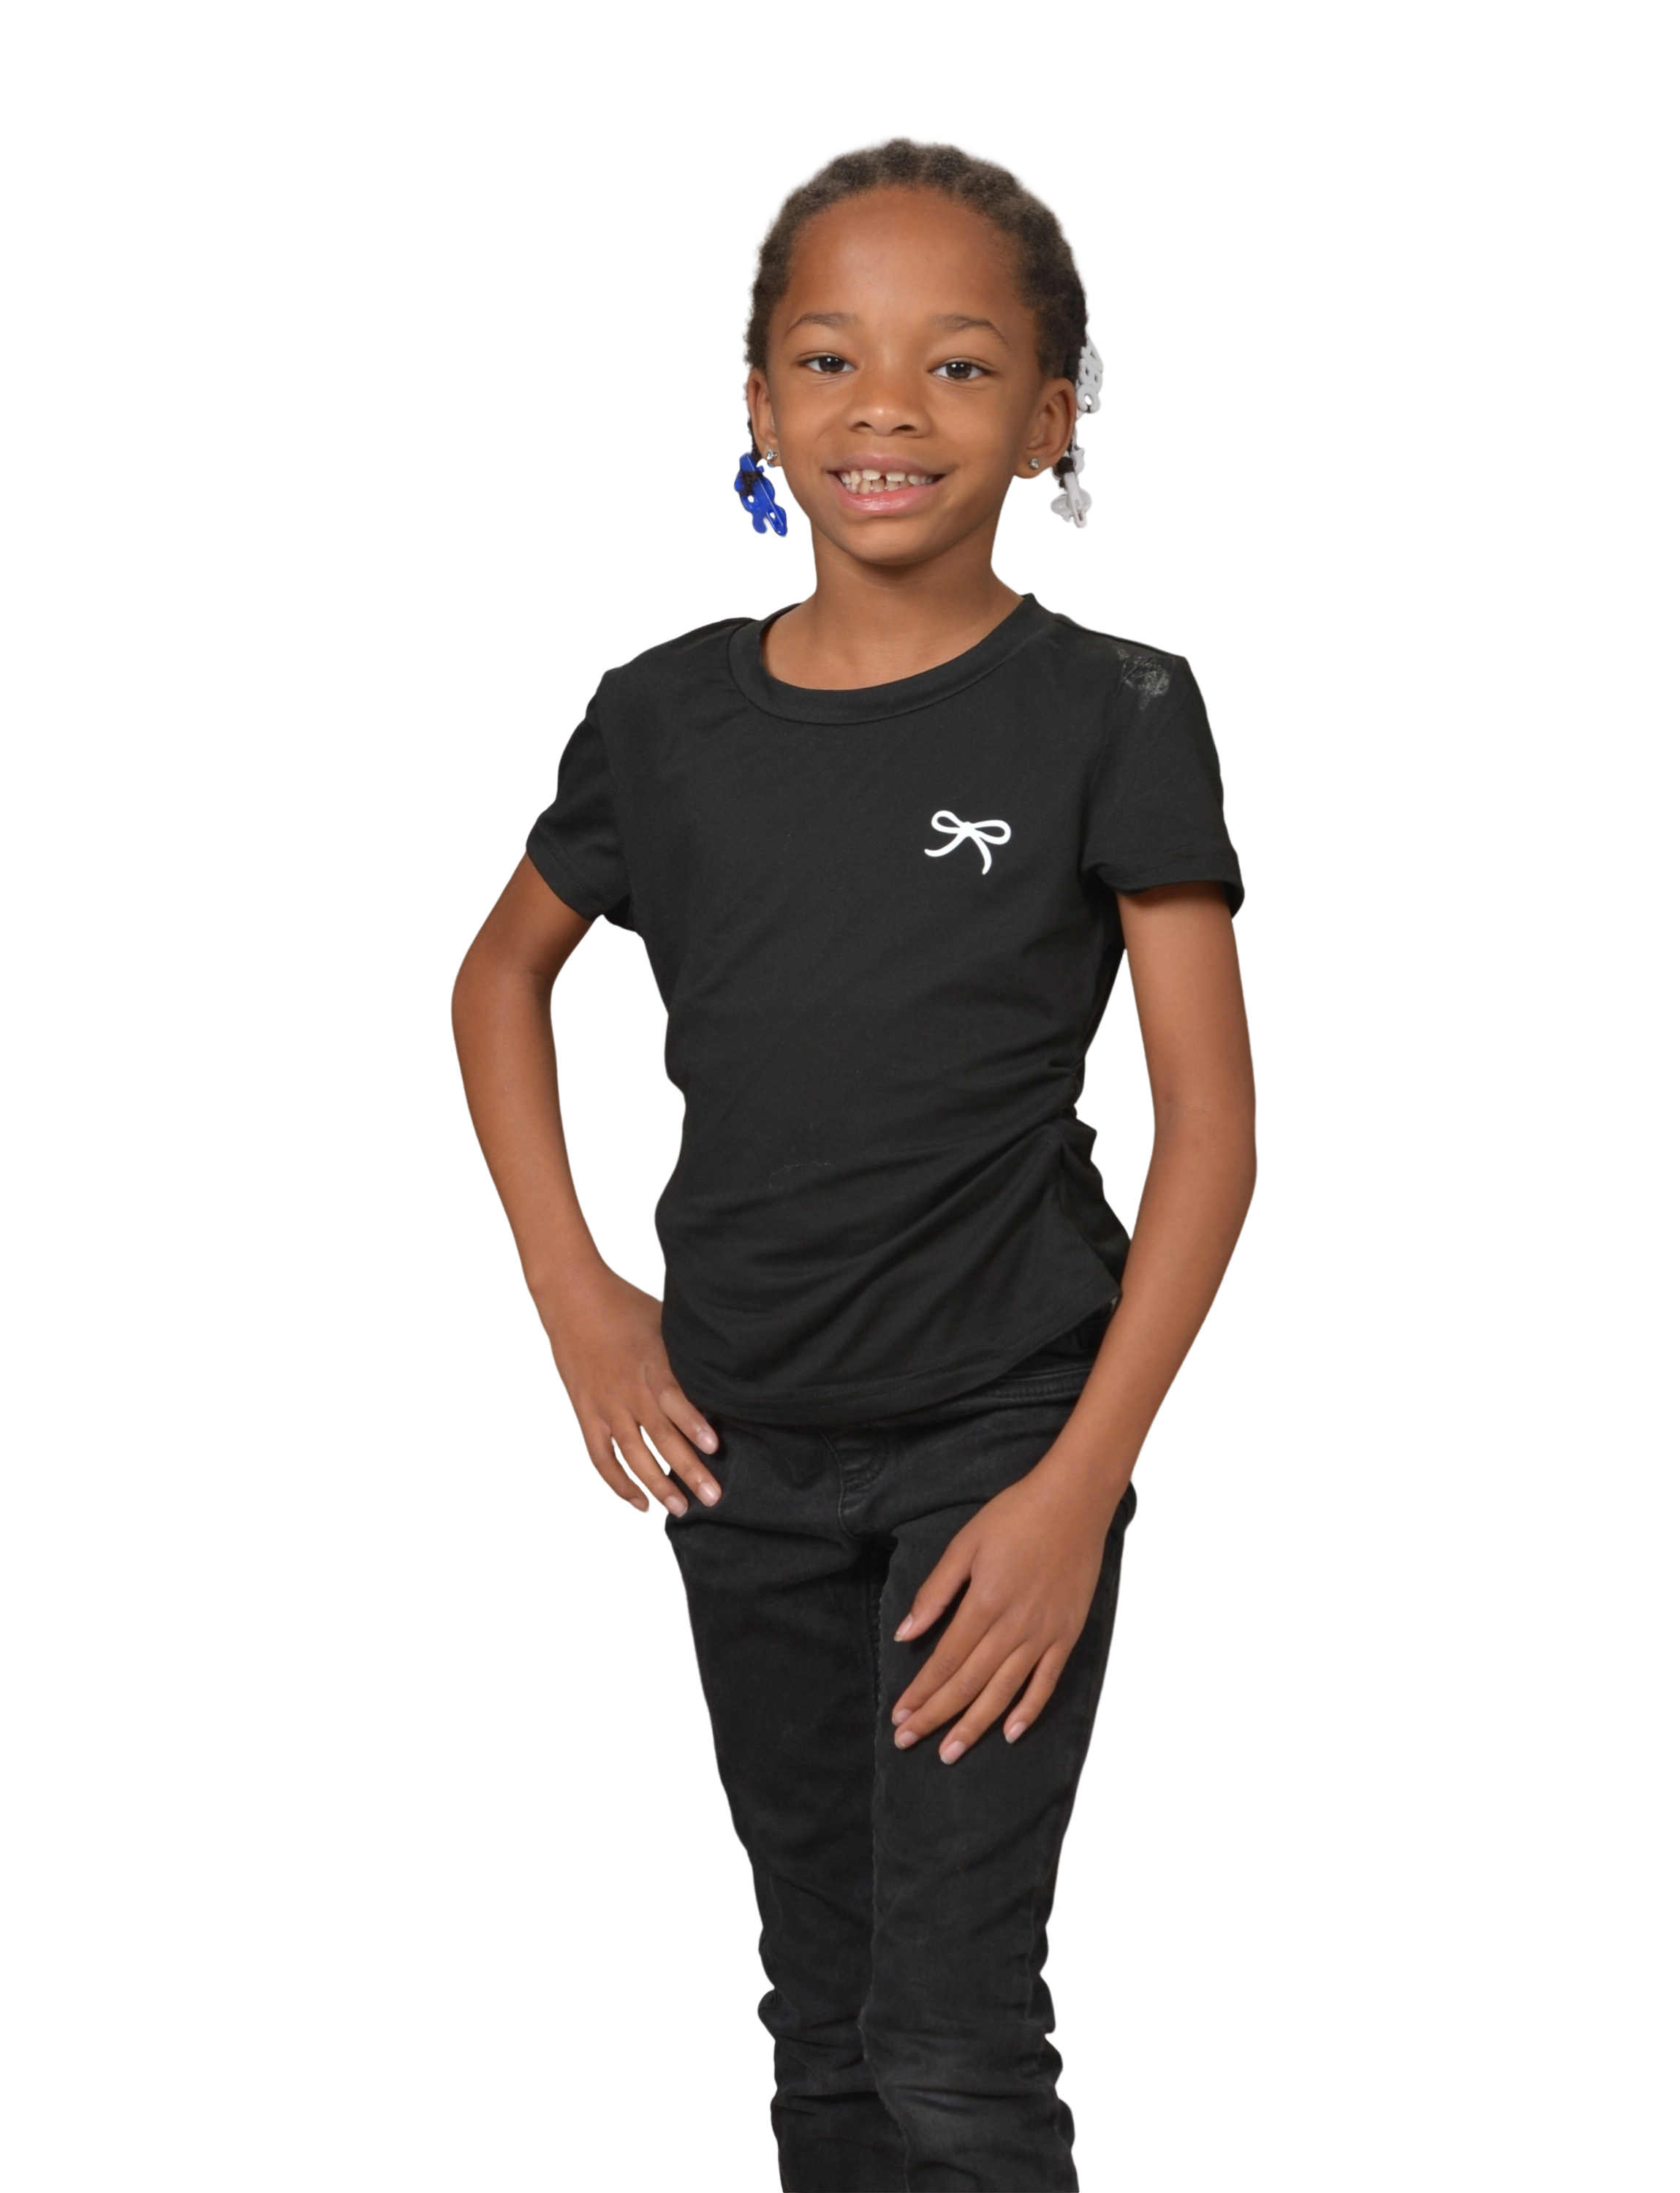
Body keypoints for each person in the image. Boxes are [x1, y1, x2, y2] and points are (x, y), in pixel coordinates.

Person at [451, 134, 1257, 2193]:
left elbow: (1211, 1125)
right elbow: (496, 982)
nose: (886, 407)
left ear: (1053, 417)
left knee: (953, 2036)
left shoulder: (1116, 707)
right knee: (820, 2021)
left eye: (959, 365)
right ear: (759, 406)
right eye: (830, 358)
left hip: (1001, 1436)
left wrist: (1076, 1489)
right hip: (734, 1441)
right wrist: (582, 1303)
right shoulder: (659, 718)